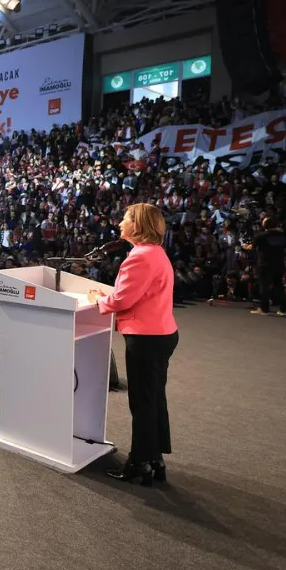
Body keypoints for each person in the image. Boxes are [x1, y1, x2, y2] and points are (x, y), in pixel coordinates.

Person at [88, 203, 178, 486]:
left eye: (125, 219)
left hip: (146, 338)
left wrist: (97, 301)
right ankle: (154, 458)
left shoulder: (140, 257)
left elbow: (123, 299)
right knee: (153, 400)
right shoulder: (155, 253)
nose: (120, 224)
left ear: (138, 225)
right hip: (161, 334)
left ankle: (140, 462)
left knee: (142, 403)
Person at [243, 216, 286, 316]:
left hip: (265, 264)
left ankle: (264, 309)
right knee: (278, 285)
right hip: (279, 264)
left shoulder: (261, 236)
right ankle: (283, 309)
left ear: (265, 224)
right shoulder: (282, 236)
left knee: (264, 286)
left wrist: (245, 246)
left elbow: (251, 247)